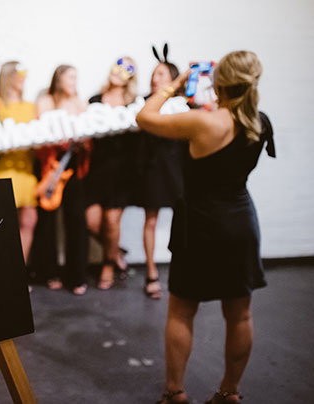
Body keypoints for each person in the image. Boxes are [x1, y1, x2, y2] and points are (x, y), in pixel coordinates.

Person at [136, 50, 275, 404]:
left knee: (182, 311)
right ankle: (230, 392)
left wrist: (176, 84)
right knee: (240, 314)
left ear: (219, 82)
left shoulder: (202, 122)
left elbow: (144, 116)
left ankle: (175, 392)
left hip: (198, 224)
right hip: (240, 222)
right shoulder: (260, 122)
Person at [32, 65, 91, 295]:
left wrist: (83, 142)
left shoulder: (80, 103)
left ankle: (77, 276)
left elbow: (90, 130)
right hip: (51, 165)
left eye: (76, 77)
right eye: (70, 77)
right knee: (47, 219)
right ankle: (49, 273)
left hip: (74, 163)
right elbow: (38, 132)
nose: (74, 81)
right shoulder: (46, 101)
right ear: (58, 79)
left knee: (76, 219)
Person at [134, 50, 184, 299]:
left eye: (161, 74)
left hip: (177, 168)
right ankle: (151, 271)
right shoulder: (141, 104)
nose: (155, 78)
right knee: (150, 220)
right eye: (153, 74)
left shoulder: (184, 103)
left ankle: (183, 268)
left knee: (184, 220)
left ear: (174, 78)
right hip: (152, 168)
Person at [86, 57, 138, 290]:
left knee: (111, 221)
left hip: (122, 171)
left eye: (127, 68)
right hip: (97, 169)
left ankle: (108, 265)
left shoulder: (133, 104)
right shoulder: (94, 101)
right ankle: (117, 252)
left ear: (131, 77)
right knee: (92, 221)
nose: (120, 70)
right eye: (118, 64)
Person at [0, 61, 38, 265]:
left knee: (29, 221)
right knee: (3, 225)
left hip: (27, 169)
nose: (23, 78)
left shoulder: (31, 107)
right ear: (8, 77)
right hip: (5, 169)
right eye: (19, 74)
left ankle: (20, 271)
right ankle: (4, 270)